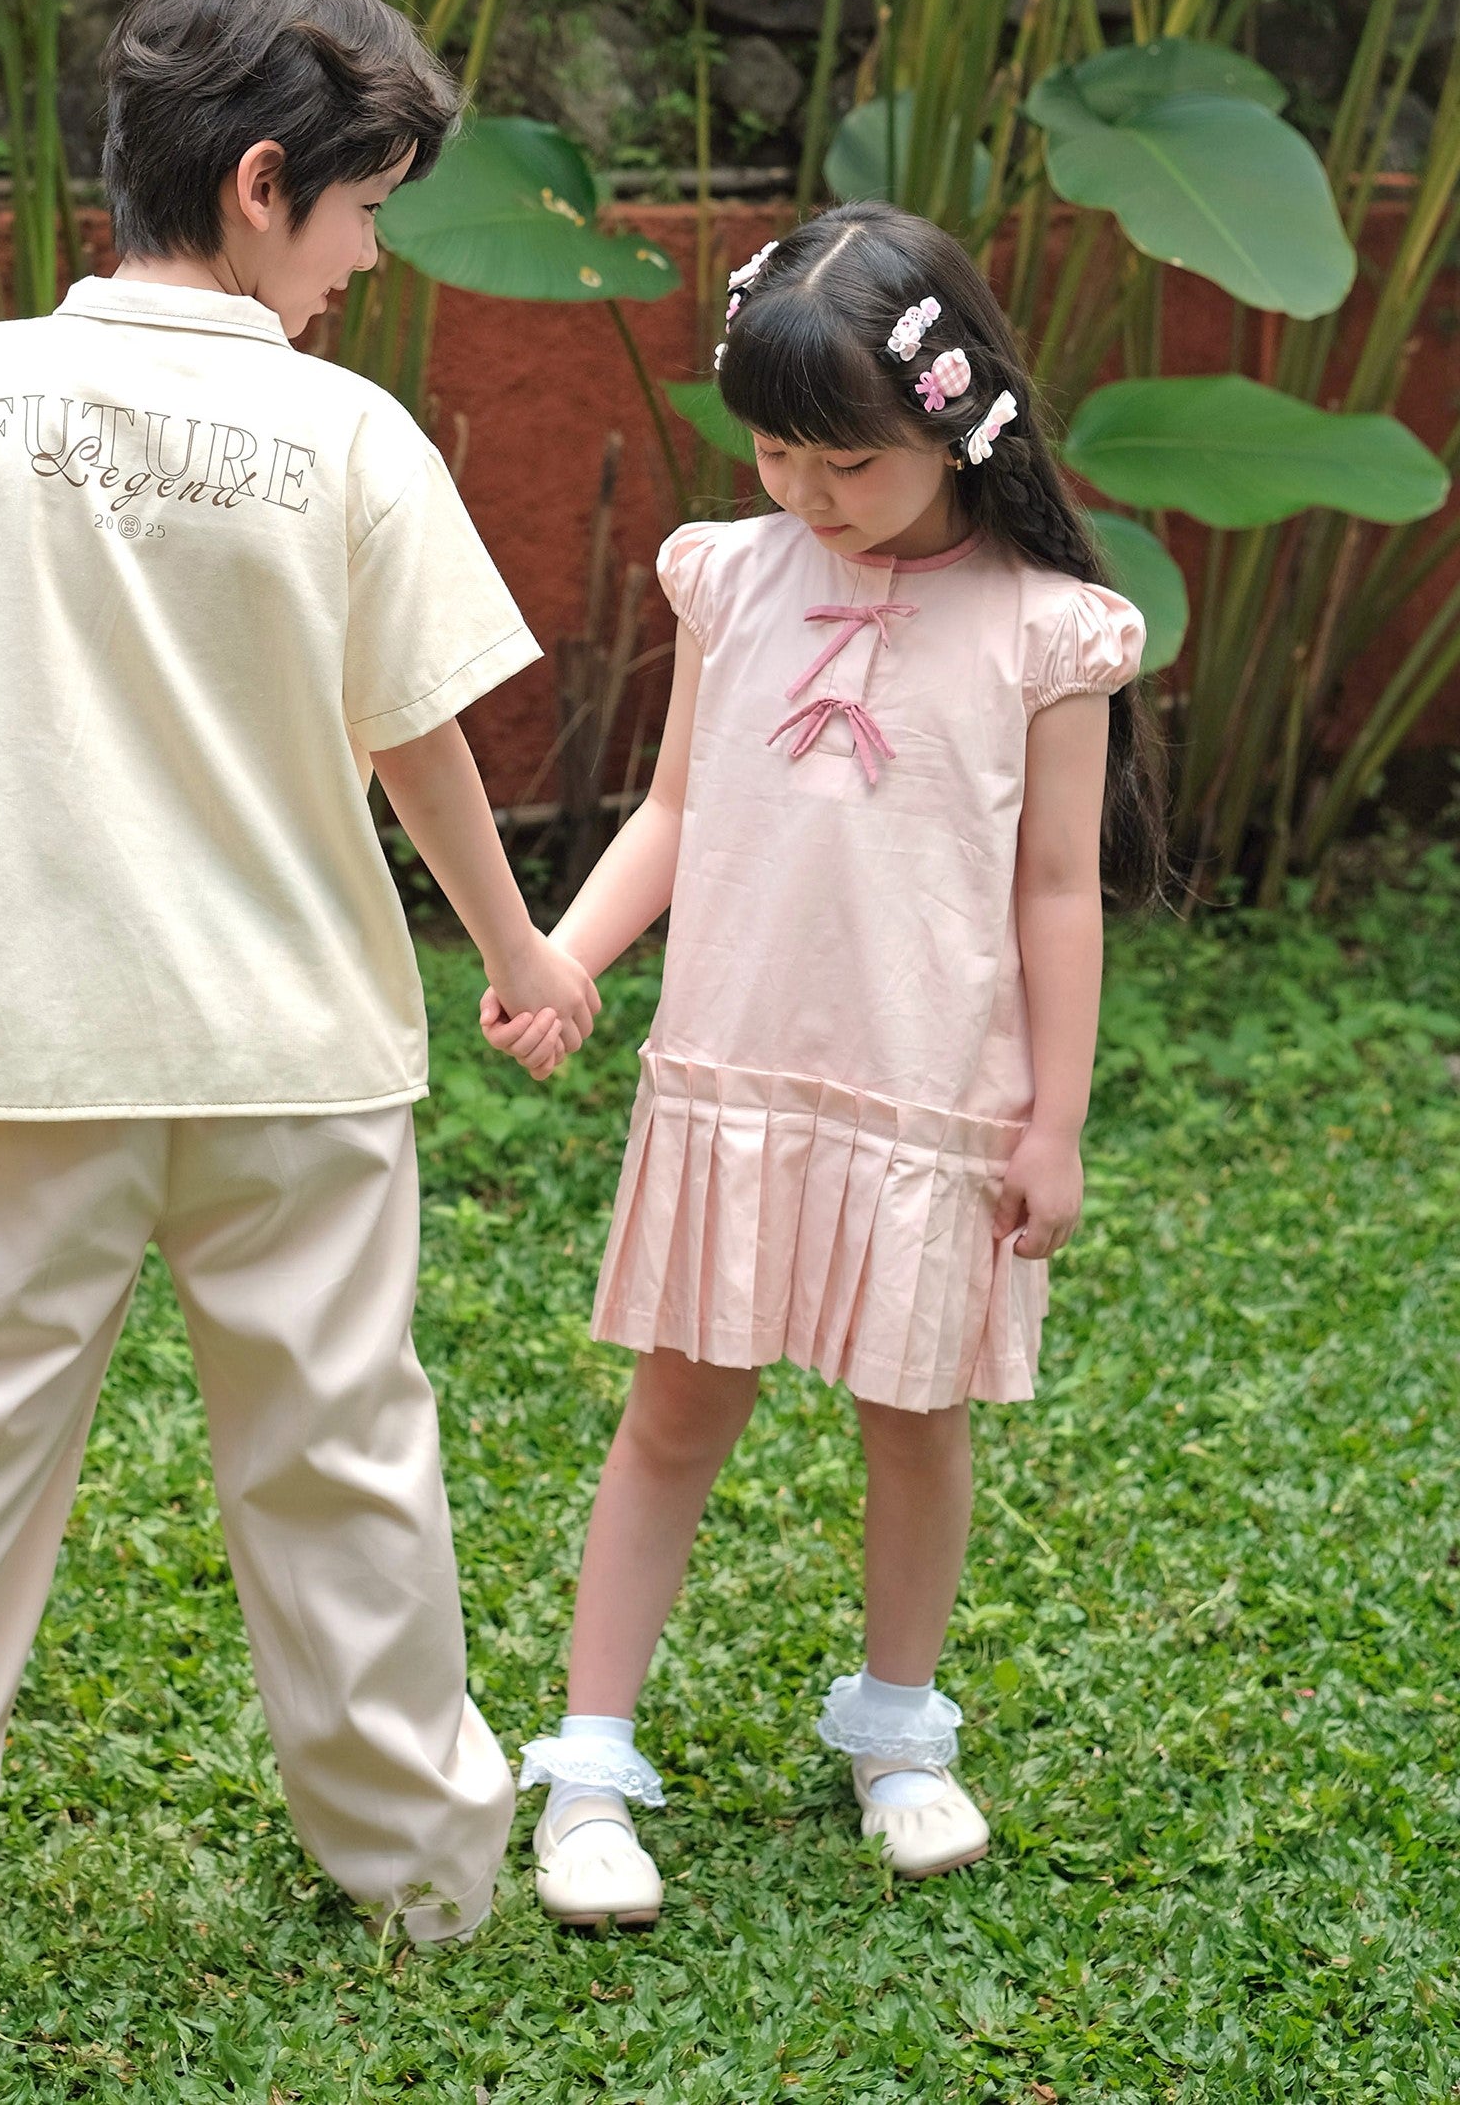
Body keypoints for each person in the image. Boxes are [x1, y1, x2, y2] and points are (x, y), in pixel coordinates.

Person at [0, 0, 598, 1957]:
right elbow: (417, 739)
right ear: (259, 183)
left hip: (35, 1050)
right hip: (300, 1056)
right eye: (366, 208)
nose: (369, 258)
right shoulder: (353, 440)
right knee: (341, 1453)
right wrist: (521, 953)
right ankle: (419, 1864)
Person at [486, 199, 1163, 1927]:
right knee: (673, 1414)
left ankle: (897, 1733)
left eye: (846, 461)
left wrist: (1056, 1120)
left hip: (930, 1095)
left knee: (914, 1423)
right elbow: (675, 807)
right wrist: (566, 958)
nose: (807, 492)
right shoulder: (733, 576)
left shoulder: (1049, 629)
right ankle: (588, 1763)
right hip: (736, 1071)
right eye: (777, 452)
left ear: (958, 419)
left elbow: (1057, 889)